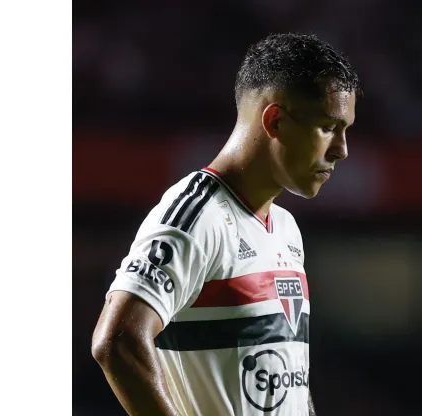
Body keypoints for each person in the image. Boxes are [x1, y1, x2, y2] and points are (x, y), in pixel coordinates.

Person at [91, 32, 360, 416]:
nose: (342, 149)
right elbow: (117, 342)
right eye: (328, 127)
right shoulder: (199, 216)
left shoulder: (284, 228)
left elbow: (289, 380)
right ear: (275, 120)